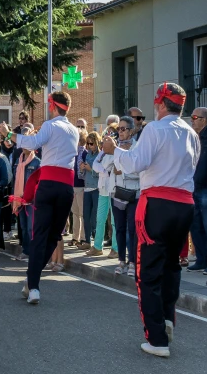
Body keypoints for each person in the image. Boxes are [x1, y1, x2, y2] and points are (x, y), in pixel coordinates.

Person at [101, 82, 198, 357]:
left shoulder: (155, 129)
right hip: (184, 205)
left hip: (157, 204)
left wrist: (114, 151)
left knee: (148, 273)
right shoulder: (191, 132)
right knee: (171, 266)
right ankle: (167, 319)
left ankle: (156, 338)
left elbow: (134, 163)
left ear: (160, 104)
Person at [0, 91, 78, 304]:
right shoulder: (74, 130)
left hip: (49, 185)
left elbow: (30, 144)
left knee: (40, 235)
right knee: (54, 236)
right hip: (66, 188)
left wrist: (8, 134)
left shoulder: (51, 126)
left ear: (53, 106)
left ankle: (33, 285)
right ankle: (31, 280)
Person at [108, 116, 140, 276]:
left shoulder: (138, 147)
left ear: (131, 131)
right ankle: (121, 260)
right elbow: (99, 165)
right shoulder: (113, 146)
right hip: (117, 193)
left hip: (134, 194)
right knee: (119, 228)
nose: (119, 132)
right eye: (118, 129)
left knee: (133, 229)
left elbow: (140, 171)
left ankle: (133, 262)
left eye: (123, 129)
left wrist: (123, 170)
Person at [10, 126, 41, 262]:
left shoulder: (37, 162)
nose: (23, 146)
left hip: (31, 201)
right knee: (22, 227)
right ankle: (26, 251)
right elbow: (15, 180)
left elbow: (38, 184)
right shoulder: (19, 161)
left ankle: (33, 252)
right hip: (19, 198)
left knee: (30, 227)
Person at [190, 107, 207, 272]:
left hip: (205, 188)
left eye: (195, 117)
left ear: (204, 120)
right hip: (193, 187)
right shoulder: (194, 138)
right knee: (196, 226)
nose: (192, 120)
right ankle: (201, 259)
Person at [80, 131, 101, 252]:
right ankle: (87, 241)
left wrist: (90, 169)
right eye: (88, 144)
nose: (89, 146)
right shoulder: (87, 154)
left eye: (91, 143)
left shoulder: (100, 155)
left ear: (97, 142)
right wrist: (82, 168)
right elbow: (82, 173)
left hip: (97, 189)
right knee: (86, 216)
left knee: (94, 218)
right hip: (87, 188)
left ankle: (96, 242)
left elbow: (102, 173)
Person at [70, 120, 87, 247]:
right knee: (75, 213)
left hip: (81, 186)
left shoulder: (85, 153)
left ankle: (83, 238)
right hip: (72, 185)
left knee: (82, 213)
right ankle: (75, 237)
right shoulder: (73, 152)